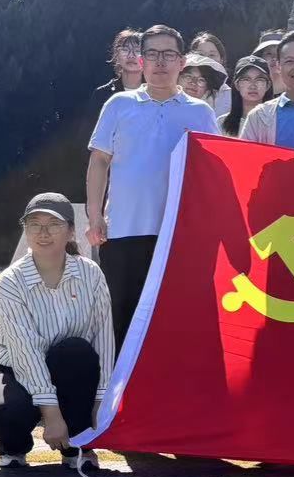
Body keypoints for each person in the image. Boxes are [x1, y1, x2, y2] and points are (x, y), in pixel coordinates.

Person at [87, 26, 220, 344]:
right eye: (152, 54)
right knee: (122, 320)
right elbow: (99, 160)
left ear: (182, 62)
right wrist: (95, 214)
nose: (160, 62)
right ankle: (118, 379)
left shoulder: (200, 112)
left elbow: (213, 171)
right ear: (142, 61)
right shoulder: (119, 105)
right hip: (124, 230)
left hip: (178, 234)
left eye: (169, 54)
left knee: (174, 322)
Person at [0, 193, 115, 474]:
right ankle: (12, 447)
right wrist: (51, 414)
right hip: (12, 365)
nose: (43, 233)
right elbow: (25, 351)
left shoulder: (91, 274)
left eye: (53, 224)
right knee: (5, 409)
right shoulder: (11, 281)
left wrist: (100, 400)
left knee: (77, 351)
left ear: (71, 231)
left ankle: (76, 444)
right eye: (34, 225)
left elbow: (103, 338)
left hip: (68, 365)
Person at [221, 55, 274, 137]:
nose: (253, 86)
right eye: (246, 79)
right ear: (237, 85)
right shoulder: (222, 123)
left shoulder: (277, 121)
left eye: (259, 79)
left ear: (268, 85)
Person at [189, 31, 232, 114]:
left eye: (212, 55)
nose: (206, 59)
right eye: (201, 55)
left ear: (221, 60)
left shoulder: (229, 95)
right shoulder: (183, 87)